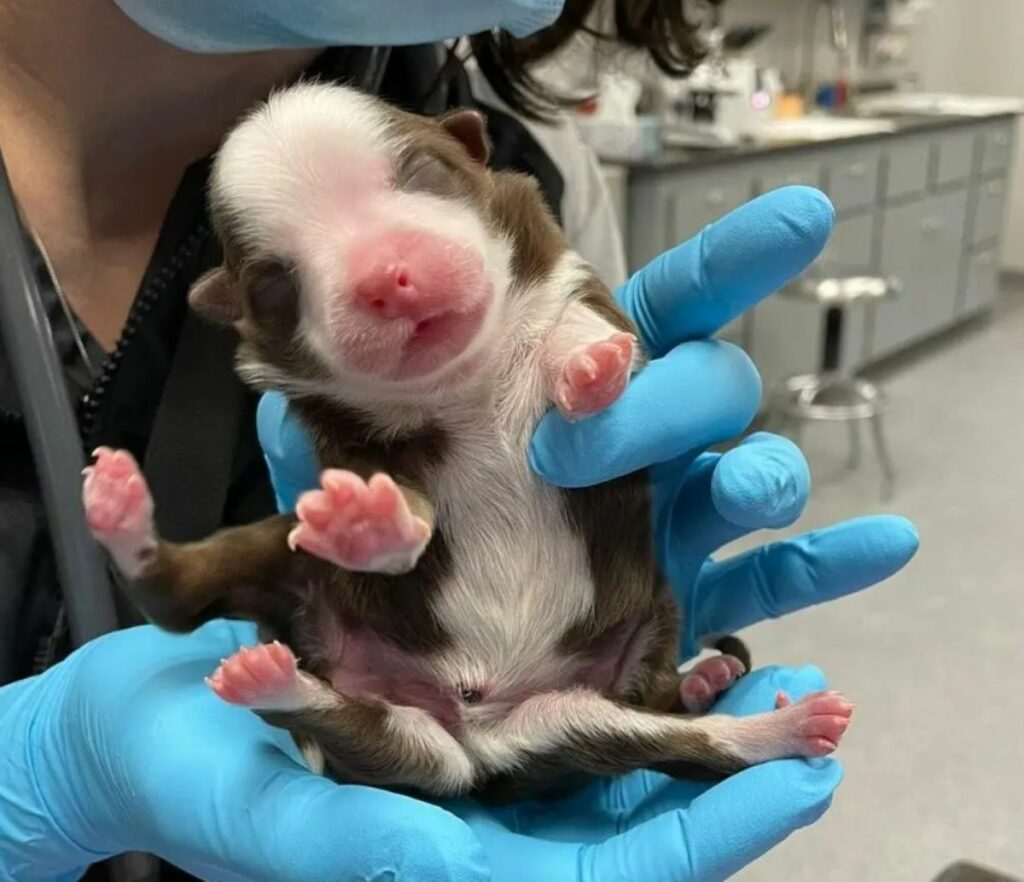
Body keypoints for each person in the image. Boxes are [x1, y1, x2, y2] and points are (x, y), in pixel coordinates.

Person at [0, 2, 919, 880]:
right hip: (379, 722)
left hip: (547, 663)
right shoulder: (337, 402)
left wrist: (587, 362)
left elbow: (569, 316)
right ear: (241, 313)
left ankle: (689, 718)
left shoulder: (535, 149)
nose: (384, 275)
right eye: (285, 284)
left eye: (419, 181)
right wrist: (42, 778)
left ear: (469, 154)